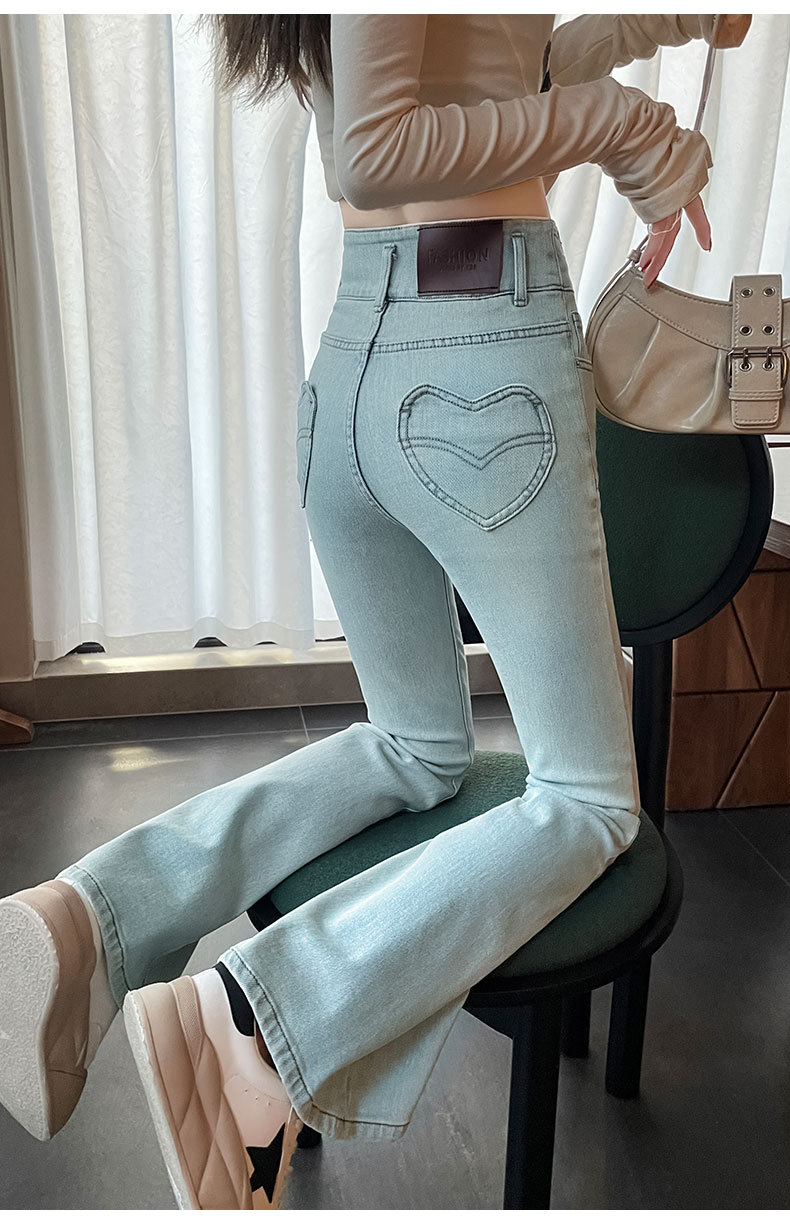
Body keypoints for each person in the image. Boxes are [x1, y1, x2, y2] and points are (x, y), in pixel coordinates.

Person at [0, 12, 751, 1212]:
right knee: (588, 800)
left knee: (416, 748)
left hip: (361, 362)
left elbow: (499, 61)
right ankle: (259, 1025)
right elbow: (374, 149)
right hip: (482, 350)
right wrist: (628, 127)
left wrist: (669, 25)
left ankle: (89, 918)